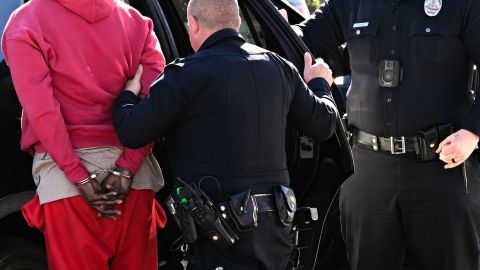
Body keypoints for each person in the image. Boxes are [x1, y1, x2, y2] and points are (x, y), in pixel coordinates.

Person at [113, 0, 338, 269]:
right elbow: (324, 124)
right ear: (238, 22)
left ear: (193, 24)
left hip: (218, 240)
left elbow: (131, 131)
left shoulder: (184, 75)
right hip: (275, 235)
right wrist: (320, 83)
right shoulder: (279, 67)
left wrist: (127, 95)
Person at [291, 0, 480, 269]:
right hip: (368, 174)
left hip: (441, 170)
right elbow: (303, 40)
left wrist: (473, 133)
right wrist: (278, 30)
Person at [2, 0, 167, 269]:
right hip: (133, 181)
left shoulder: (26, 21)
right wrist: (127, 168)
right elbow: (157, 107)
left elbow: (44, 112)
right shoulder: (137, 22)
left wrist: (78, 175)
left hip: (66, 183)